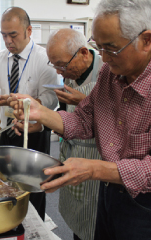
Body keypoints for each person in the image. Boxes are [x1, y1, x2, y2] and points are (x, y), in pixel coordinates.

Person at [9, 0, 151, 239]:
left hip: (147, 206)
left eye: (111, 48)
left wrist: (95, 169)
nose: (105, 59)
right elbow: (84, 120)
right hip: (108, 194)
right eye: (100, 48)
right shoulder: (111, 74)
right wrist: (40, 112)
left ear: (146, 40)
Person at [0, 7, 59, 221]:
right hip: (7, 127)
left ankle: (37, 227)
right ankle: (9, 224)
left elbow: (52, 99)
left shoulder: (44, 59)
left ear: (28, 30)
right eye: (3, 35)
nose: (7, 40)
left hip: (34, 129)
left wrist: (29, 105)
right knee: (6, 183)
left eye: (12, 34)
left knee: (34, 187)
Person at [47, 28, 103, 240]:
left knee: (92, 223)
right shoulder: (72, 73)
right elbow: (65, 111)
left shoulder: (108, 74)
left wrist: (84, 102)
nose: (60, 72)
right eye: (54, 65)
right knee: (74, 220)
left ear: (84, 53)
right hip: (72, 151)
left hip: (94, 162)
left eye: (62, 65)